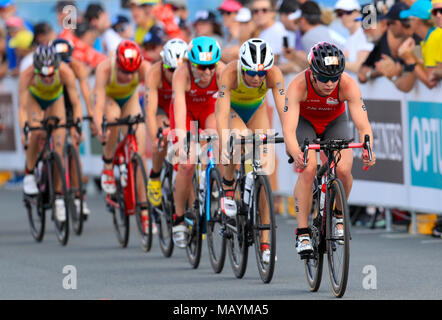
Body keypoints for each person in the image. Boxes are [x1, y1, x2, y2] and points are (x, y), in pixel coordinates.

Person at [282, 42, 376, 256]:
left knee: (343, 170)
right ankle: (303, 233)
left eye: (334, 78)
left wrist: (368, 147)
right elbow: (288, 129)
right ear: (312, 73)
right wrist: (296, 152)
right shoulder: (298, 85)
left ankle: (339, 218)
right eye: (324, 78)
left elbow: (363, 124)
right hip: (305, 123)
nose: (330, 83)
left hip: (334, 122)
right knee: (309, 168)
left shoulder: (347, 84)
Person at [215, 38, 286, 263]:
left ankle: (265, 243)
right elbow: (221, 111)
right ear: (242, 67)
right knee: (238, 138)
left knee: (264, 167)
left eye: (261, 73)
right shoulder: (229, 73)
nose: (256, 78)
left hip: (257, 111)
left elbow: (285, 109)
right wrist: (224, 138)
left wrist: (291, 138)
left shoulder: (274, 75)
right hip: (234, 111)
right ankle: (228, 187)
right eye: (251, 73)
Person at [169, 36, 225, 248]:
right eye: (202, 67)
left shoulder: (221, 72)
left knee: (221, 143)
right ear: (192, 64)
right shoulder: (181, 74)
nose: (207, 72)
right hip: (186, 114)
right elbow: (180, 108)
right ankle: (179, 218)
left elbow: (225, 107)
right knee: (187, 163)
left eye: (211, 66)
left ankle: (220, 191)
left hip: (208, 110)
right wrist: (183, 140)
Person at [18, 44, 83, 221]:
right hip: (35, 99)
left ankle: (59, 197)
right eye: (43, 75)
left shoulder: (65, 72)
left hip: (55, 100)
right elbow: (22, 108)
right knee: (37, 132)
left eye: (50, 74)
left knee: (60, 148)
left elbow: (76, 103)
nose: (47, 78)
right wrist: (25, 127)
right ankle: (30, 174)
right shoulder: (27, 75)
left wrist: (77, 125)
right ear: (37, 70)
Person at [93, 40, 152, 231]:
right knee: (113, 119)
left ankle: (144, 212)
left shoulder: (145, 68)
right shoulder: (104, 69)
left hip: (130, 99)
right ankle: (108, 164)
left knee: (140, 155)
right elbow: (98, 103)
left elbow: (152, 100)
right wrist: (100, 127)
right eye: (124, 72)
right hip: (110, 100)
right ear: (117, 65)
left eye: (132, 73)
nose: (128, 77)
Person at [144, 38, 187, 208]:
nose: (175, 73)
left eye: (179, 69)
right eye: (171, 69)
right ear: (164, 64)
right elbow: (150, 110)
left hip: (181, 106)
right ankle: (155, 176)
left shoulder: (188, 73)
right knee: (161, 136)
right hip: (162, 107)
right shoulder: (154, 73)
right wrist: (155, 138)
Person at [52, 38, 93, 216]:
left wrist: (90, 115)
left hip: (70, 103)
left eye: (66, 61)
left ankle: (78, 197)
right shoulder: (48, 69)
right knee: (57, 149)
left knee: (74, 148)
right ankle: (58, 196)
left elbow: (85, 93)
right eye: (59, 61)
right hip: (52, 103)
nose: (63, 66)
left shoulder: (76, 67)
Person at [398, 0, 442, 88]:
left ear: (416, 20)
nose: (408, 23)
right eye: (435, 12)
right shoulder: (431, 37)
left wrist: (410, 60)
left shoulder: (433, 38)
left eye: (409, 19)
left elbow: (430, 81)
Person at [334, 0, 373, 75]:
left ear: (358, 12)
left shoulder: (363, 33)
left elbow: (360, 67)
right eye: (340, 14)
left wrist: (333, 61)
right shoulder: (350, 36)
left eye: (348, 12)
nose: (344, 17)